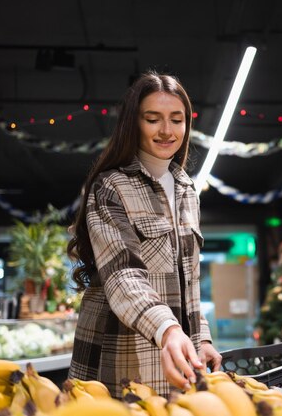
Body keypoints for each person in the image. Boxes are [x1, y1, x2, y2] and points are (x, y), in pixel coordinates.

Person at [67, 71, 221, 397]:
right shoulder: (110, 186)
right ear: (133, 124)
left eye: (176, 120)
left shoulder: (186, 189)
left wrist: (201, 339)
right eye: (153, 119)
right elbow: (123, 275)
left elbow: (189, 280)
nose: (167, 130)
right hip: (118, 351)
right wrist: (168, 330)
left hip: (175, 351)